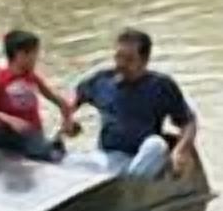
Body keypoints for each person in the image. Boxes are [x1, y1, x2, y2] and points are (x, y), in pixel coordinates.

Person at [72, 28, 198, 180]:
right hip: (108, 158)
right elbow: (72, 101)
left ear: (144, 61)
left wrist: (181, 150)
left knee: (156, 144)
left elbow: (188, 123)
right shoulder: (101, 81)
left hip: (144, 157)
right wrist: (68, 120)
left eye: (129, 59)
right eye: (118, 57)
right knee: (65, 160)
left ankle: (129, 183)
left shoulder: (161, 86)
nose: (121, 64)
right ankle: (117, 183)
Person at [0, 29, 76, 162]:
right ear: (19, 54)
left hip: (30, 132)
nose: (36, 58)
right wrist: (10, 119)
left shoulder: (32, 77)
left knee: (46, 155)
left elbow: (61, 102)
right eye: (33, 54)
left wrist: (67, 122)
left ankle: (53, 146)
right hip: (5, 131)